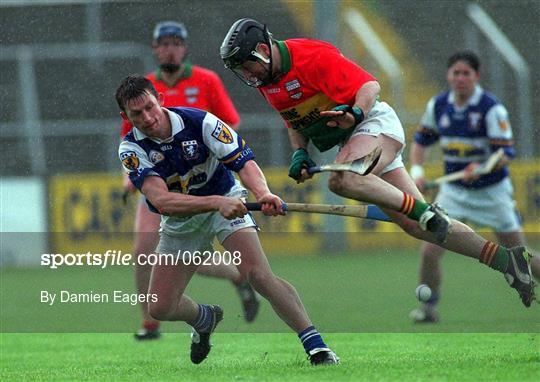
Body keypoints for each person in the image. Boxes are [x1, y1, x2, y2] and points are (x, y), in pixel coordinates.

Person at [219, 19, 536, 310]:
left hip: (374, 124)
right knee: (418, 227)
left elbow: (369, 86)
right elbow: (294, 122)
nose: (248, 75)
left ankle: (425, 211)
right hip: (355, 139)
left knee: (342, 180)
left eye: (247, 66)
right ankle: (507, 261)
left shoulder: (311, 55)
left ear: (262, 50)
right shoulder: (266, 82)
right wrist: (300, 153)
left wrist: (354, 113)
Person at [116, 75, 339, 365]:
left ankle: (316, 346)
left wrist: (263, 192)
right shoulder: (131, 149)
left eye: (150, 107)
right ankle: (203, 318)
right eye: (137, 114)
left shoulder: (202, 122)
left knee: (256, 274)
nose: (147, 117)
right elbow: (162, 201)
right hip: (183, 219)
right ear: (125, 116)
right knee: (159, 307)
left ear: (160, 98)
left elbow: (243, 162)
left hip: (227, 197)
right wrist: (215, 203)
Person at [121, 21, 260, 340]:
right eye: (163, 43)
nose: (169, 48)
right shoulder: (140, 89)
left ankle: (239, 277)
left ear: (184, 48)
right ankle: (150, 322)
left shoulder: (206, 80)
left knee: (185, 258)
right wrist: (130, 178)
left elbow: (229, 125)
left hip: (207, 181)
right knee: (144, 250)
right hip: (162, 183)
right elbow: (128, 143)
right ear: (155, 48)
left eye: (175, 42)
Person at [408, 51, 540, 322]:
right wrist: (417, 171)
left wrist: (482, 168)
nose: (460, 78)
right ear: (448, 75)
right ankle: (428, 308)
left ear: (476, 76)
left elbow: (504, 153)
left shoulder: (491, 108)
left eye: (466, 73)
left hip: (493, 193)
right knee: (430, 251)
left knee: (520, 257)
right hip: (454, 193)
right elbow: (421, 141)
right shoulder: (439, 105)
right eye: (455, 73)